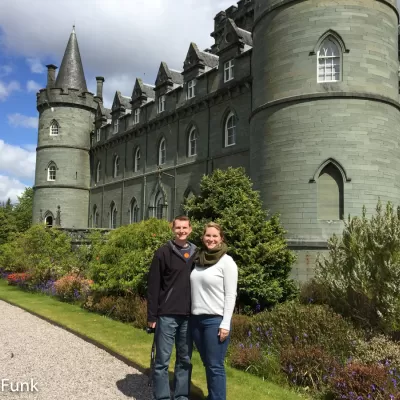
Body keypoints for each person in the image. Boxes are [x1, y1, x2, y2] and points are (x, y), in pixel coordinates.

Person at [147, 215, 196, 400]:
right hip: (167, 314)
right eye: (178, 228)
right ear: (172, 229)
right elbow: (153, 286)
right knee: (162, 361)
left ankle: (181, 396)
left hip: (188, 316)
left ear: (190, 229)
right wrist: (152, 316)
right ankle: (162, 397)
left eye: (185, 228)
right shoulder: (163, 252)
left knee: (184, 360)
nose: (181, 231)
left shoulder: (196, 254)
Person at [190, 222, 238, 400]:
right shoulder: (198, 259)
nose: (211, 239)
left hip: (215, 321)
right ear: (202, 238)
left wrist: (225, 323)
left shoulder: (227, 262)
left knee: (215, 365)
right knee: (207, 363)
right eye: (207, 236)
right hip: (196, 320)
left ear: (221, 238)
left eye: (214, 236)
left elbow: (230, 295)